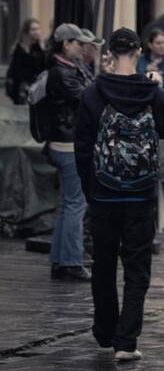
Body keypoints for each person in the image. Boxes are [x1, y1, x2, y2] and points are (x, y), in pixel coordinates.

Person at [73, 28, 164, 361]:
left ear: (110, 54)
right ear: (138, 52)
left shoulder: (93, 92)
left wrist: (90, 187)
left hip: (104, 192)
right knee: (137, 268)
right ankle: (127, 342)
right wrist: (158, 86)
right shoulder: (151, 92)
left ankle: (105, 331)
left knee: (103, 264)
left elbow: (82, 145)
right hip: (141, 193)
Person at [44, 23, 97, 281]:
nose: (83, 48)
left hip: (64, 142)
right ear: (66, 45)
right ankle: (71, 262)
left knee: (68, 204)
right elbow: (88, 99)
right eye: (78, 43)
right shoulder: (62, 72)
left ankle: (61, 259)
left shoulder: (66, 69)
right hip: (68, 144)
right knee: (76, 204)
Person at [6, 18, 47, 104]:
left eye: (38, 29)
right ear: (27, 32)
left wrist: (43, 50)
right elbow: (18, 71)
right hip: (21, 88)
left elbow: (42, 67)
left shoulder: (38, 47)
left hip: (35, 87)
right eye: (33, 29)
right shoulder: (19, 49)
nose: (36, 32)